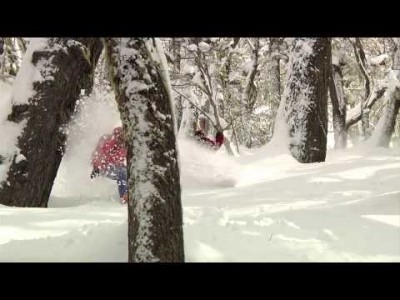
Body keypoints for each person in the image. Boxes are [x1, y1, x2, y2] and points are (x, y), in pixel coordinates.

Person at [90, 127, 128, 204]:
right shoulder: (109, 142)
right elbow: (98, 154)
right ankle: (124, 197)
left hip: (118, 166)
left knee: (127, 173)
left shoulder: (126, 144)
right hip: (104, 168)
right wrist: (96, 167)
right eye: (121, 136)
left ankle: (128, 195)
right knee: (122, 173)